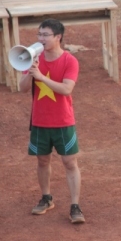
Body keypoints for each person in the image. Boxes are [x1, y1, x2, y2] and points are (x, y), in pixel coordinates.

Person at [19, 19, 84, 224]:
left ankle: (75, 206)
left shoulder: (69, 61)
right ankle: (46, 198)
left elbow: (66, 89)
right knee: (42, 160)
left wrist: (41, 76)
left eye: (45, 35)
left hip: (63, 121)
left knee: (69, 162)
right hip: (40, 121)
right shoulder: (33, 59)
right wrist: (31, 73)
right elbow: (22, 88)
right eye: (39, 34)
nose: (41, 39)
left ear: (58, 37)